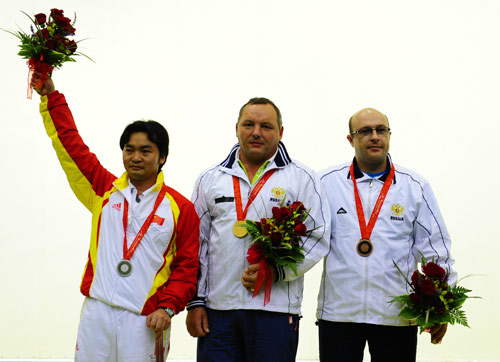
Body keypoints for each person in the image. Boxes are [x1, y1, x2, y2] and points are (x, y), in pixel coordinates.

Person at [32, 75, 200, 362]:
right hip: (97, 312)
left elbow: (188, 267)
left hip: (144, 319)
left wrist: (168, 308)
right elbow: (71, 146)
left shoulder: (180, 208)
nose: (135, 157)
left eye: (146, 151)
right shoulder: (103, 189)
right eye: (129, 150)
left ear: (162, 158)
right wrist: (50, 97)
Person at [185, 97, 330, 361]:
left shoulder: (303, 178)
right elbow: (196, 244)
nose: (256, 132)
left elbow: (317, 237)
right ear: (237, 128)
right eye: (249, 124)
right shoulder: (210, 179)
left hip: (274, 310)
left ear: (281, 132)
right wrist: (196, 302)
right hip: (219, 309)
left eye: (266, 126)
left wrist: (277, 272)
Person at [316, 108, 457, 362]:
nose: (374, 136)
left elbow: (436, 249)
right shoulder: (326, 183)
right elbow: (308, 241)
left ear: (389, 135)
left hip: (396, 317)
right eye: (365, 131)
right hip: (339, 315)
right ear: (351, 139)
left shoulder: (414, 186)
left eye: (381, 130)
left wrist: (441, 307)